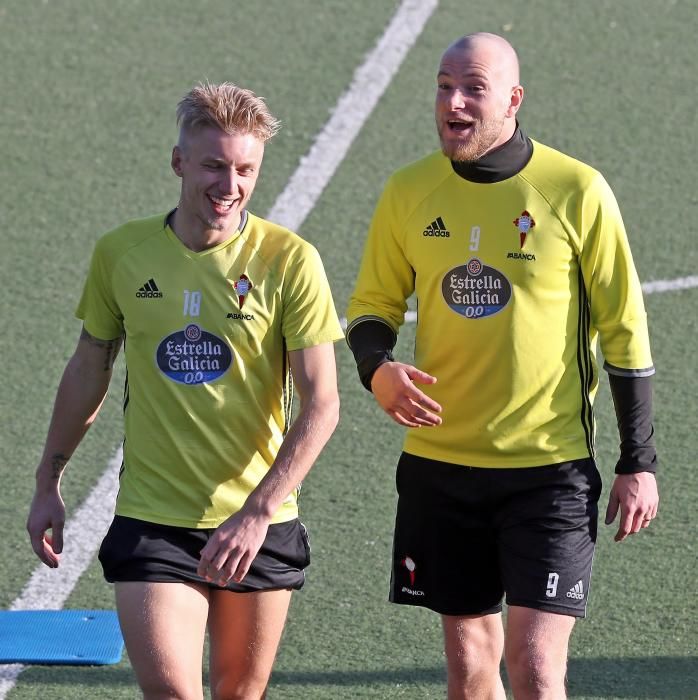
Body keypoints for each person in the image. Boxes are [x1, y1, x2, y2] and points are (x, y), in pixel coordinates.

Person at [346, 33, 659, 700]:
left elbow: (623, 331)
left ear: (513, 100)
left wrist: (640, 461)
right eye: (442, 85)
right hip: (441, 467)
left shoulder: (575, 190)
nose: (452, 102)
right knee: (468, 667)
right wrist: (378, 369)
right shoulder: (408, 191)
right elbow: (372, 305)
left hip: (548, 470)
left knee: (537, 666)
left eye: (473, 89)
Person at [27, 82, 343, 699]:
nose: (230, 185)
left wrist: (256, 513)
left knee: (238, 695)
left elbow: (322, 402)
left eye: (245, 169)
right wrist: (48, 482)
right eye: (214, 165)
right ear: (179, 163)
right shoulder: (123, 253)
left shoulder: (290, 261)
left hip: (259, 519)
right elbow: (89, 368)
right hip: (155, 518)